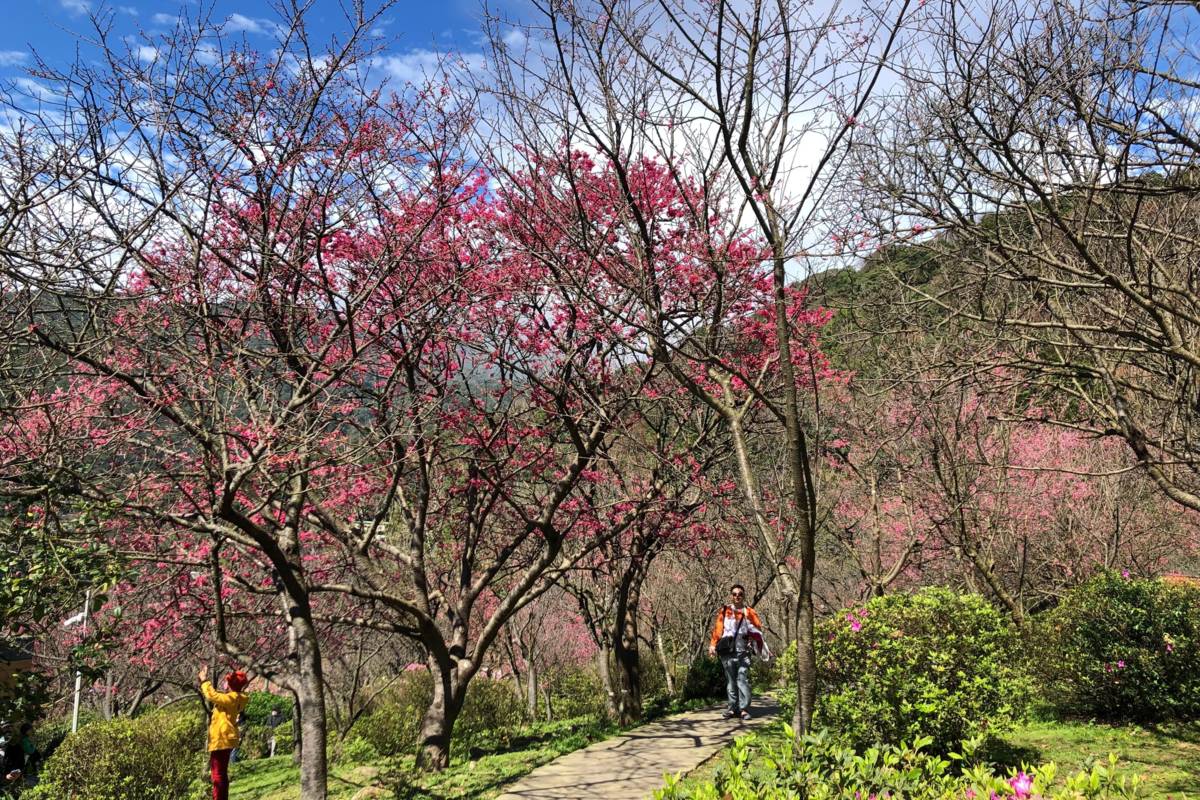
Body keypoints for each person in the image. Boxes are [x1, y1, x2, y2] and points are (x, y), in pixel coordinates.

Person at [708, 584, 764, 720]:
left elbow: (758, 630)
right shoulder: (724, 611)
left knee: (742, 678)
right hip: (727, 650)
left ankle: (744, 708)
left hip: (743, 650)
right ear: (731, 596)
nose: (737, 596)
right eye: (734, 594)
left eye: (740, 594)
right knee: (731, 680)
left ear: (744, 596)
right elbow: (718, 629)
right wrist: (712, 645)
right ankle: (732, 708)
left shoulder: (749, 611)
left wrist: (754, 641)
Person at [199, 665, 250, 800]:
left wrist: (205, 681)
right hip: (227, 738)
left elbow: (212, 695)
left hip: (222, 738)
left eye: (227, 682)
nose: (224, 683)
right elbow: (219, 696)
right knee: (221, 772)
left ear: (231, 685)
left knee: (217, 774)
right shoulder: (237, 698)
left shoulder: (230, 699)